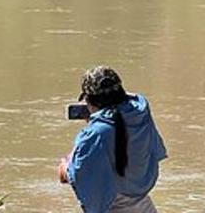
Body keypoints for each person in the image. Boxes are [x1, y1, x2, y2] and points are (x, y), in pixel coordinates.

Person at [58, 66, 167, 213]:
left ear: (89, 101)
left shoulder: (95, 134)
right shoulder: (140, 114)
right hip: (144, 206)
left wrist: (65, 165)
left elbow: (72, 176)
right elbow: (125, 109)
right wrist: (99, 116)